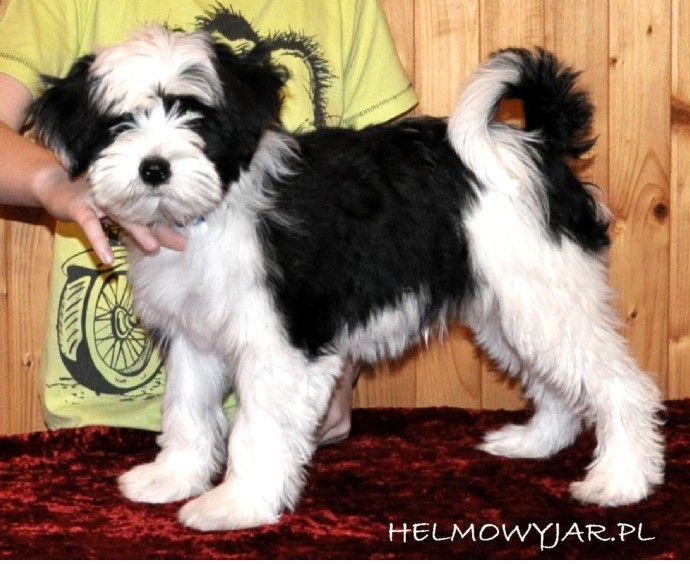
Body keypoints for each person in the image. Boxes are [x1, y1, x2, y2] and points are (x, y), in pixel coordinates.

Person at [0, 0, 417, 444]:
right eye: (125, 123)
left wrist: (335, 359)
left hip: (280, 402)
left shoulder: (344, 7)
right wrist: (57, 184)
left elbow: (381, 208)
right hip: (96, 416)